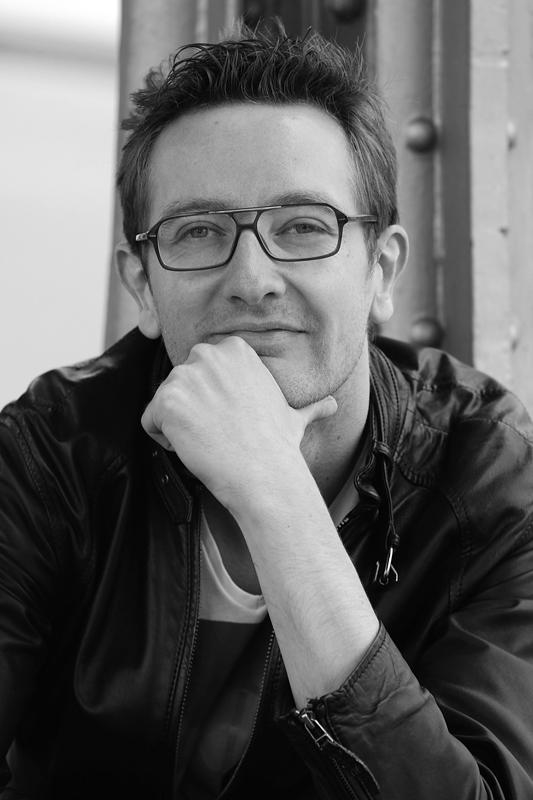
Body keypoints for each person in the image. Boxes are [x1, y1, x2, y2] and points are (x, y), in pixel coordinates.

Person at [1, 20, 533, 800]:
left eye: (303, 227)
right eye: (198, 231)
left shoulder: (489, 479)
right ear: (142, 284)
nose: (253, 279)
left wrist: (275, 496)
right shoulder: (49, 457)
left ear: (381, 272)